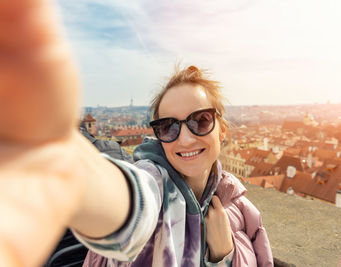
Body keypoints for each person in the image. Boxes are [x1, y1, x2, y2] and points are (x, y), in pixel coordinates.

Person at [0, 1, 273, 267]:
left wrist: (223, 254)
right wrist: (72, 171)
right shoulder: (155, 181)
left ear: (222, 129)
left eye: (200, 121)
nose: (185, 138)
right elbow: (132, 207)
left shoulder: (240, 204)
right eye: (169, 126)